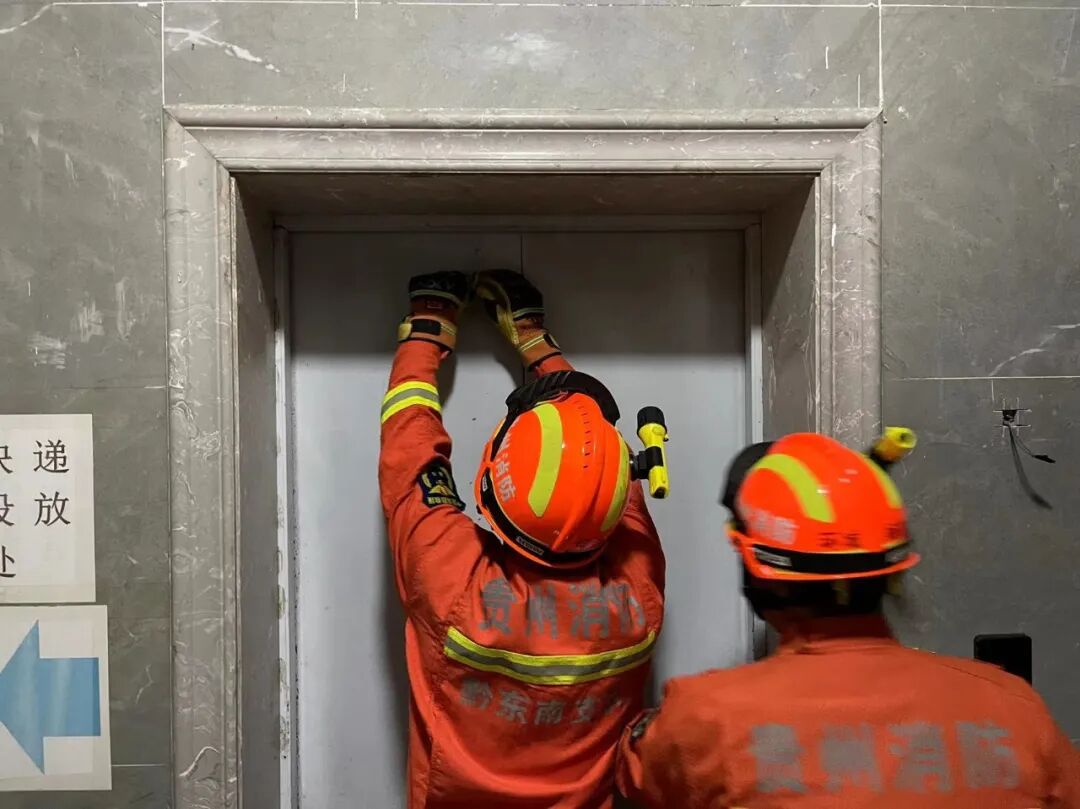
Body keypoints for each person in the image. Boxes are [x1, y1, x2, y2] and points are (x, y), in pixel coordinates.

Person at [618, 431, 1080, 808]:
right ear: (891, 571)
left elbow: (638, 778)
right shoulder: (1016, 709)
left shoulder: (705, 717)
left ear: (760, 572)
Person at [380, 270, 666, 809]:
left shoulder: (450, 576)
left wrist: (427, 330)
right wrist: (536, 344)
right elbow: (604, 465)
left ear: (491, 482)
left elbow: (409, 448)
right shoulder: (639, 590)